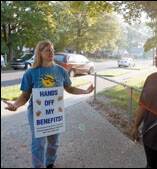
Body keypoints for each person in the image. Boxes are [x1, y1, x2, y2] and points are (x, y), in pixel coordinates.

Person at [4, 40, 95, 168]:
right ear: (39, 53)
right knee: (39, 143)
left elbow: (69, 88)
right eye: (47, 50)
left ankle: (50, 163)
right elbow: (25, 96)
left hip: (54, 113)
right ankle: (38, 166)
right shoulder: (30, 73)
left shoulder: (61, 71)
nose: (51, 52)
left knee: (54, 142)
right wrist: (15, 105)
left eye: (52, 49)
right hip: (37, 113)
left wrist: (85, 91)